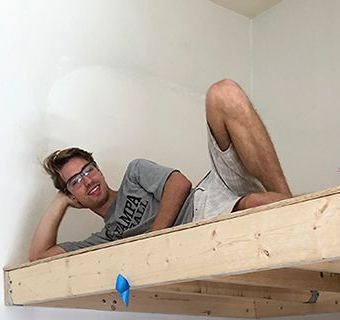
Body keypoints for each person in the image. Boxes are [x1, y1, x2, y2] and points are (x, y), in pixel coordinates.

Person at [28, 79, 292, 262]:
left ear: (99, 170)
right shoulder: (106, 238)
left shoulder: (134, 173)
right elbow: (39, 256)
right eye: (75, 181)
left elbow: (179, 185)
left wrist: (154, 239)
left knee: (223, 92)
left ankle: (291, 200)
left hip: (205, 192)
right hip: (200, 217)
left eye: (88, 170)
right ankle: (288, 204)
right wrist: (60, 201)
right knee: (260, 204)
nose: (87, 181)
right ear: (73, 196)